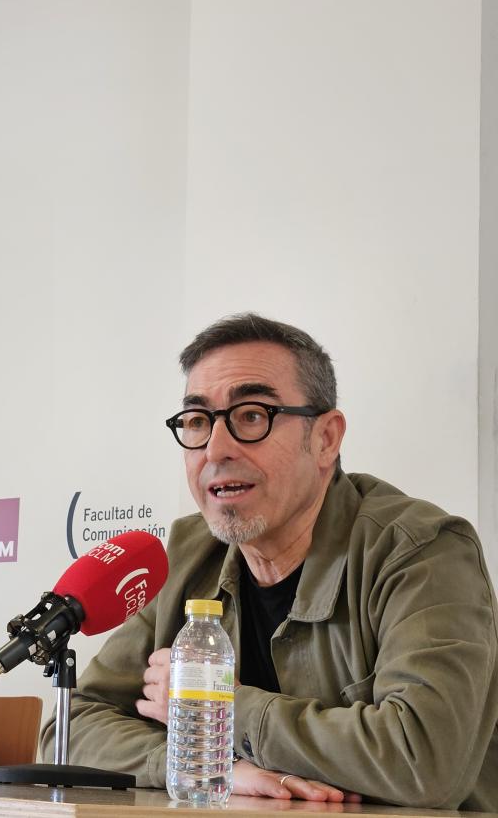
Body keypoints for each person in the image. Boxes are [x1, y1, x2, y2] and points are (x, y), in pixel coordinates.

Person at [45, 314, 498, 811]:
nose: (216, 449)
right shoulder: (185, 554)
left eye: (252, 416)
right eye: (198, 421)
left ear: (325, 439)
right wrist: (212, 765)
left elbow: (425, 760)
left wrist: (219, 708)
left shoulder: (421, 550)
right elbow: (72, 729)